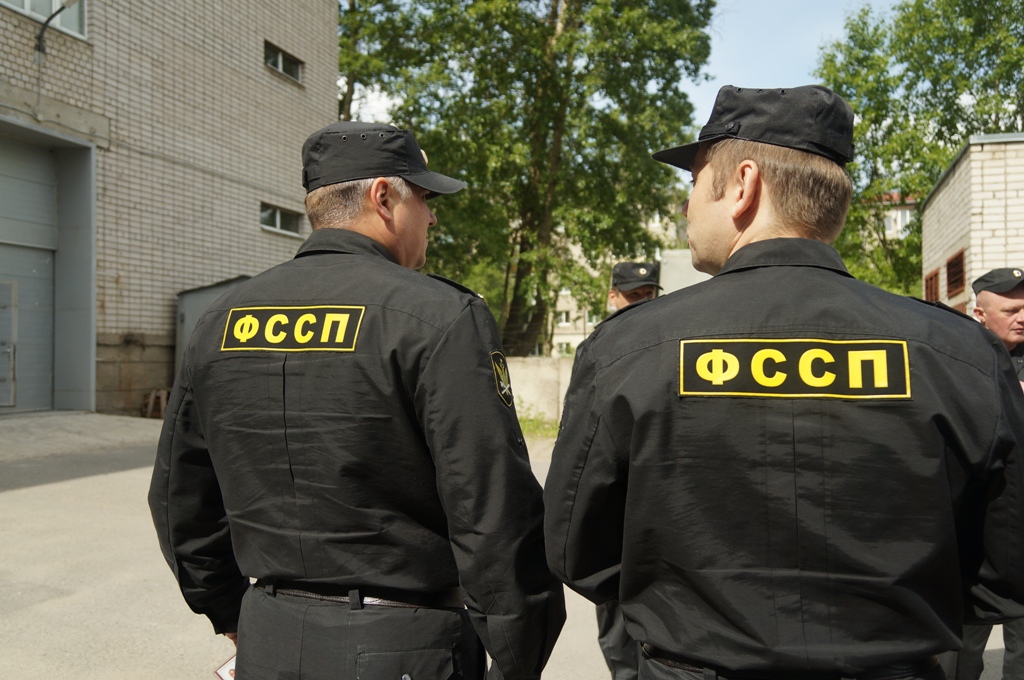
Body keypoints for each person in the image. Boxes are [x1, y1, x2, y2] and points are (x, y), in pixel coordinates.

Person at [543, 84, 1024, 680]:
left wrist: (689, 613)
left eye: (694, 181)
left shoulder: (629, 348)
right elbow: (1007, 566)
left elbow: (575, 548)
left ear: (743, 185)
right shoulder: (959, 351)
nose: (686, 206)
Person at [149, 120, 565, 680]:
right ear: (384, 197)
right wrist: (518, 658)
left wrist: (229, 610)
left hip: (268, 636)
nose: (432, 218)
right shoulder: (437, 316)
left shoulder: (221, 319)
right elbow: (493, 509)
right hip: (404, 645)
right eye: (425, 199)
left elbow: (179, 498)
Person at [938, 268, 1024, 680]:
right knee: (965, 637)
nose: (1022, 317)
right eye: (1010, 310)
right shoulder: (959, 358)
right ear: (980, 314)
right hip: (978, 519)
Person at [596, 261, 662, 680]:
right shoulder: (599, 348)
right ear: (613, 297)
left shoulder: (667, 343)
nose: (641, 303)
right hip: (615, 517)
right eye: (632, 296)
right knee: (619, 642)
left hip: (656, 511)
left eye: (648, 295)